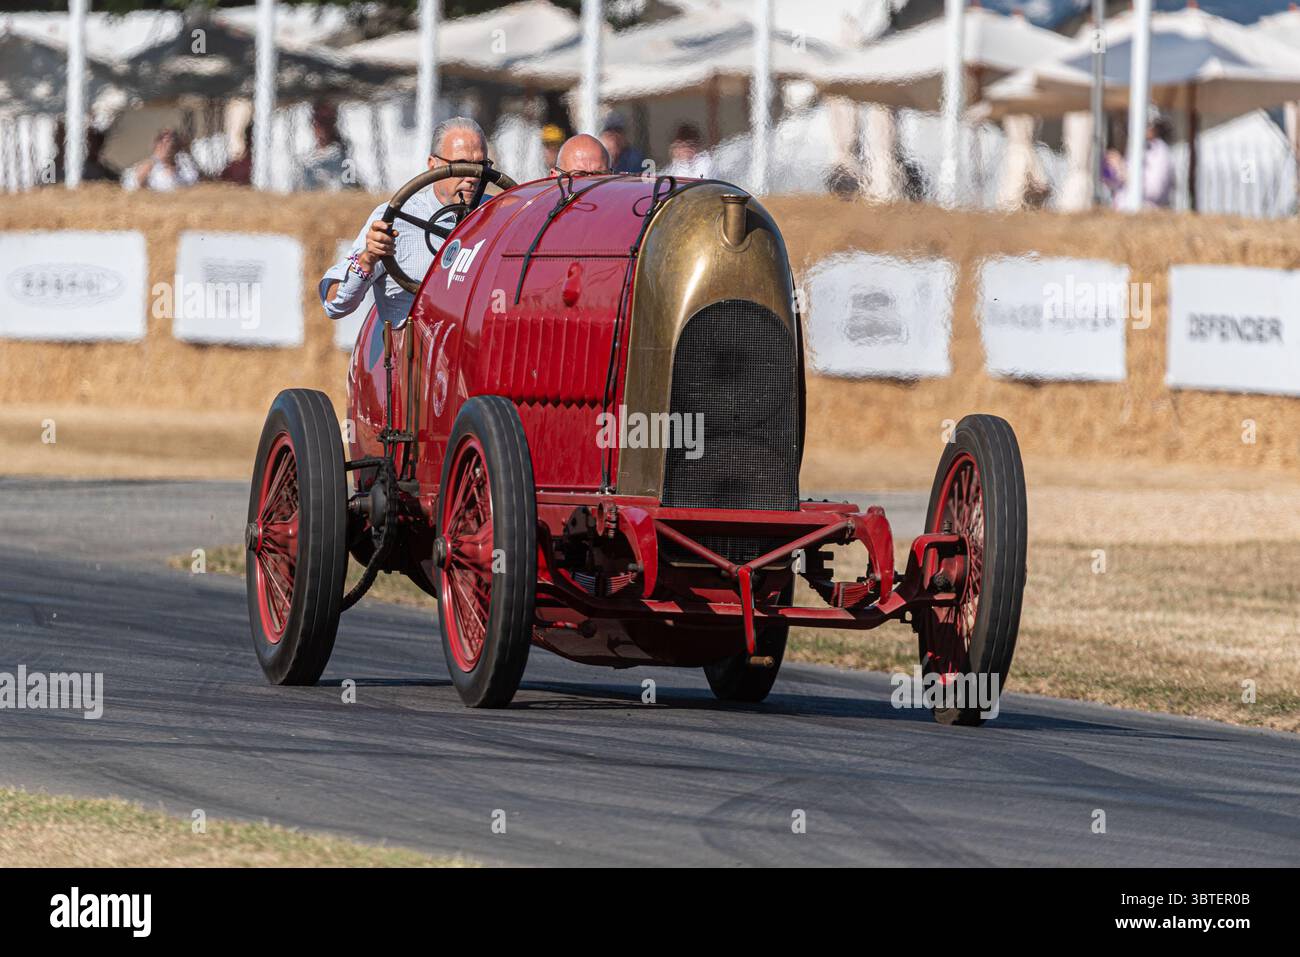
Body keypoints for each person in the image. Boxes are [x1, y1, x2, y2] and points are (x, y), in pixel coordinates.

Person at [320, 116, 488, 326]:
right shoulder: (394, 219)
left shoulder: (500, 214)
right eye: (462, 165)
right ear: (433, 165)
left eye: (480, 165)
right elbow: (335, 306)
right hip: (413, 351)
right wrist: (367, 259)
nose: (472, 176)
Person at [1105, 109, 1174, 210]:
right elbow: (1117, 185)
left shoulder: (1161, 152)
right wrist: (1112, 169)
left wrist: (1124, 171)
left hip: (1146, 213)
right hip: (1122, 212)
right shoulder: (1135, 148)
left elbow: (1155, 191)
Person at [301, 102, 356, 191]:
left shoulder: (342, 156)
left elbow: (347, 187)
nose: (321, 128)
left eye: (325, 122)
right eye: (317, 123)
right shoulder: (308, 157)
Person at [122, 128, 199, 191]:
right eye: (163, 141)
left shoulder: (184, 168)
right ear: (157, 145)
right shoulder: (149, 167)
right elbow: (131, 189)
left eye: (172, 141)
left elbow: (195, 186)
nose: (168, 145)